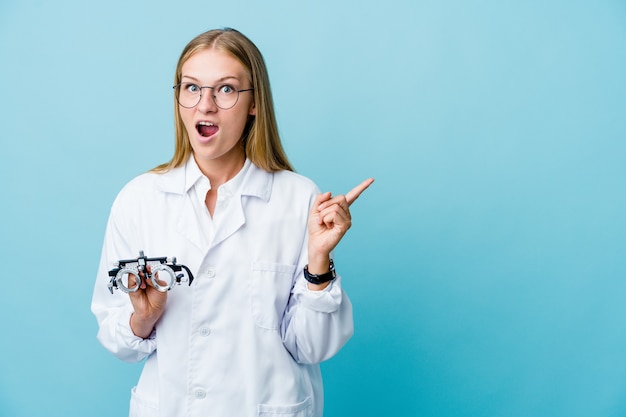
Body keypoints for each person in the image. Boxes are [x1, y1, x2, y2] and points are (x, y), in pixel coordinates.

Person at [91, 27, 373, 417]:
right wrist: (144, 317)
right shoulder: (139, 200)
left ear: (254, 102)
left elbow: (313, 347)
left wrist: (319, 265)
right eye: (191, 88)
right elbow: (116, 338)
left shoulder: (298, 198)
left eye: (225, 89)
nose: (204, 105)